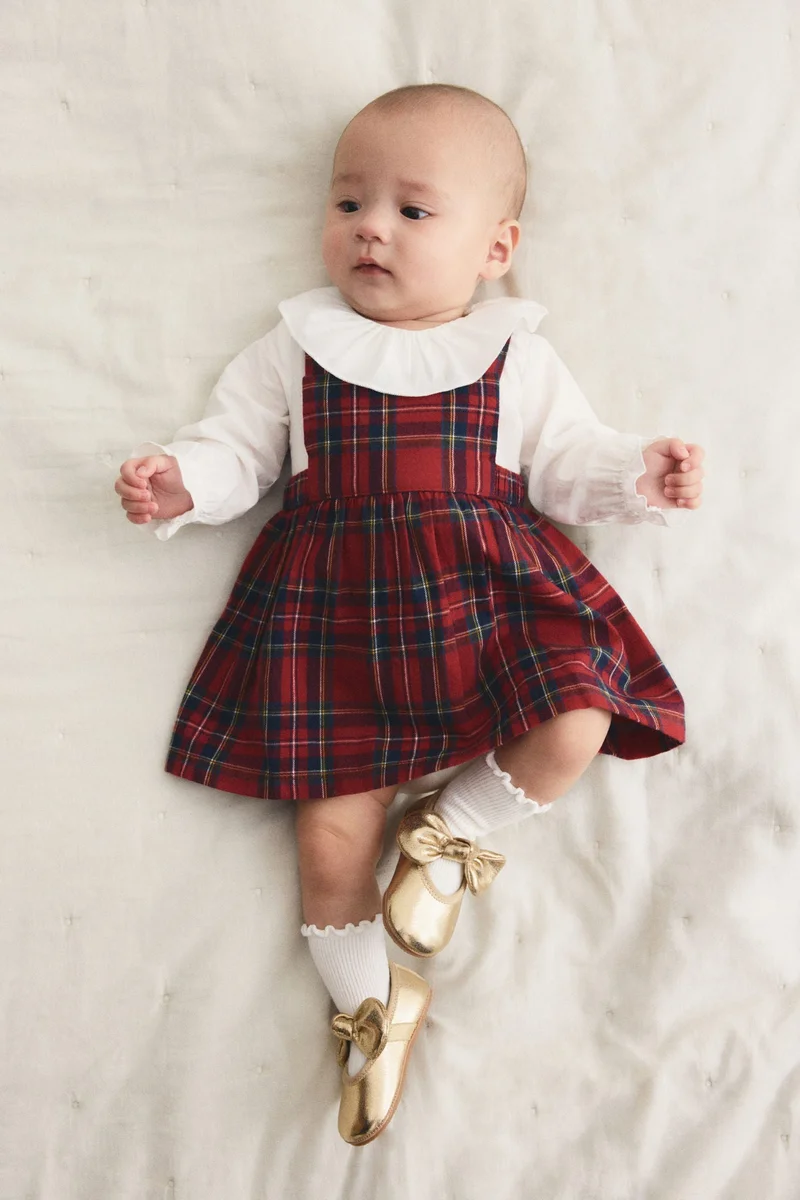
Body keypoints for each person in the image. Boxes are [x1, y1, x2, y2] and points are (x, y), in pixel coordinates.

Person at [114, 83, 705, 1146]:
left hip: (486, 594)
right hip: (333, 616)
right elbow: (237, 447)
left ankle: (449, 833)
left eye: (412, 210)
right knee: (330, 836)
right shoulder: (295, 346)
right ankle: (372, 1009)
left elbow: (567, 463)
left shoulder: (515, 355)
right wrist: (181, 483)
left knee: (579, 708)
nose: (370, 228)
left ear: (495, 248)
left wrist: (637, 473)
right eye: (348, 203)